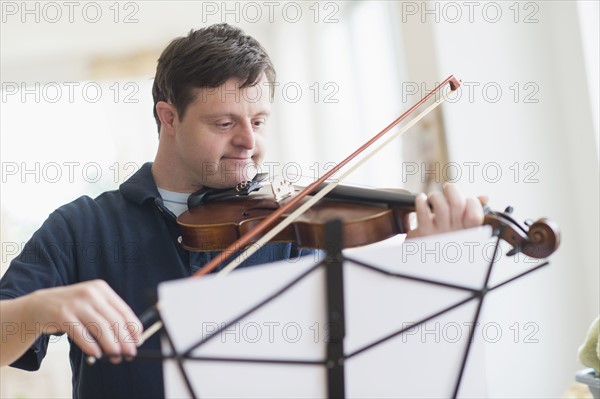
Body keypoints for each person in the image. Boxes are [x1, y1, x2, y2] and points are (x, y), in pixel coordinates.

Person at [0, 23, 484, 398]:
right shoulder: (82, 226)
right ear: (168, 118)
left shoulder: (295, 226)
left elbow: (367, 354)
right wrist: (40, 308)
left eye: (258, 120)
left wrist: (423, 261)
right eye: (225, 122)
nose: (249, 143)